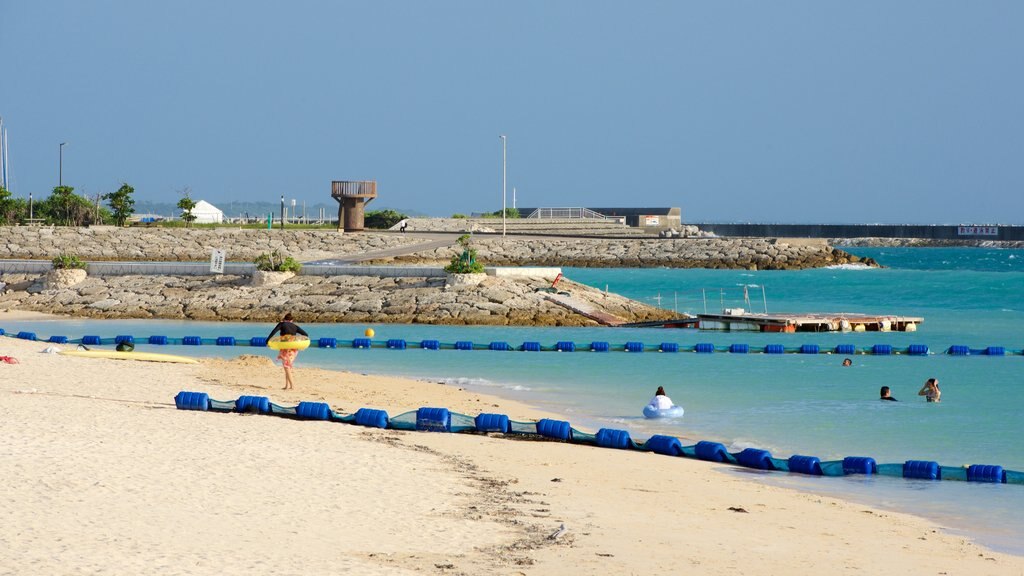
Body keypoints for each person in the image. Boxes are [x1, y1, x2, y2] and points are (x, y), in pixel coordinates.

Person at [267, 312, 308, 390]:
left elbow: (273, 332)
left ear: (284, 319)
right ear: (291, 320)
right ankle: (286, 386)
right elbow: (305, 334)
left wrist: (267, 341)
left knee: (286, 367)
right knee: (287, 366)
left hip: (285, 349)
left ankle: (292, 386)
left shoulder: (281, 324)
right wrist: (296, 339)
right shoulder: (295, 326)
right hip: (294, 349)